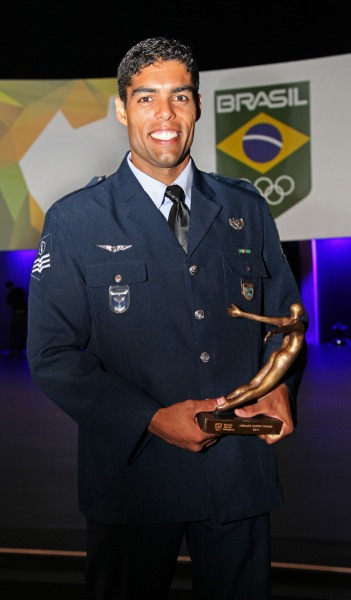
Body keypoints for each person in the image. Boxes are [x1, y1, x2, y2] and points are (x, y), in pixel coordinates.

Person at [27, 37, 308, 600]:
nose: (165, 115)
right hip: (134, 479)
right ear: (122, 108)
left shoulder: (245, 207)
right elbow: (53, 356)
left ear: (198, 106)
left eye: (180, 97)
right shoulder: (76, 218)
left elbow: (287, 322)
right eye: (147, 98)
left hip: (237, 475)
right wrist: (151, 418)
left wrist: (282, 392)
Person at [221, 302, 306, 410]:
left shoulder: (288, 321)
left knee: (252, 384)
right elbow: (272, 322)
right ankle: (228, 404)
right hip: (284, 358)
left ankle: (226, 400)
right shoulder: (296, 324)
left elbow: (279, 324)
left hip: (277, 354)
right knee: (258, 389)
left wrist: (242, 313)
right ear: (301, 313)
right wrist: (242, 313)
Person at [5, 280, 28, 355]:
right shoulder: (20, 290)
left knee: (14, 332)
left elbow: (8, 303)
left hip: (16, 313)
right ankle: (20, 348)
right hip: (24, 313)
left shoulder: (10, 293)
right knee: (23, 332)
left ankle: (13, 349)